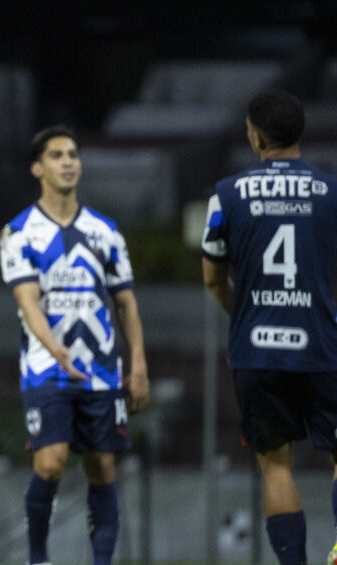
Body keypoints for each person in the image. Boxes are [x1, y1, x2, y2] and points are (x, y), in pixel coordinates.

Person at [0, 126, 149, 565]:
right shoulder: (19, 233)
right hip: (46, 367)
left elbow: (127, 305)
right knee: (50, 463)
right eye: (57, 155)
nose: (68, 162)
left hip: (102, 369)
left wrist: (137, 366)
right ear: (37, 167)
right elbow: (28, 302)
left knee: (103, 467)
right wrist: (56, 347)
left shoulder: (106, 232)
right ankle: (38, 557)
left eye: (73, 155)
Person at [202, 89, 337, 565]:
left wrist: (242, 313)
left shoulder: (225, 195)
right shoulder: (331, 191)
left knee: (276, 468)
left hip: (257, 351)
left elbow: (212, 276)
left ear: (255, 136)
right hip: (322, 346)